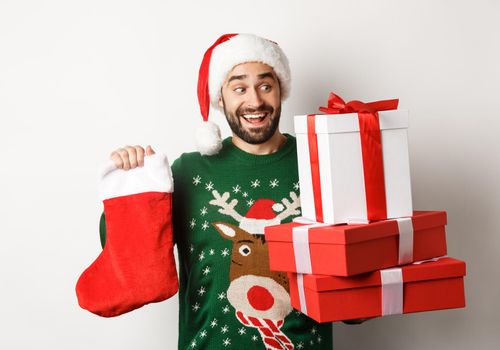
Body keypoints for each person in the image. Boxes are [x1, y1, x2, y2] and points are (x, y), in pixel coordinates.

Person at [101, 33, 334, 349]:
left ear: (281, 91)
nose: (254, 101)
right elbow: (130, 258)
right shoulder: (188, 172)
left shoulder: (323, 164)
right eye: (239, 88)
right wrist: (133, 187)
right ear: (221, 98)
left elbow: (353, 286)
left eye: (265, 86)